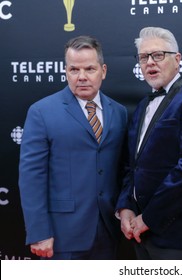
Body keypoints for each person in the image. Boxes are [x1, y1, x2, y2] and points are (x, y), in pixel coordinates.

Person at [18, 35, 128, 259]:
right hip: (62, 235)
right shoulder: (42, 112)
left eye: (89, 69)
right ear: (65, 71)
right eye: (74, 70)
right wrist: (39, 232)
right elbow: (32, 178)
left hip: (109, 231)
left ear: (103, 71)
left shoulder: (119, 112)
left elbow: (124, 169)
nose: (82, 77)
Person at [115, 27, 182, 260]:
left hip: (177, 231)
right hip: (138, 232)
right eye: (144, 57)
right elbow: (133, 165)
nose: (150, 62)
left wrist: (149, 218)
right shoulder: (142, 106)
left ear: (177, 59)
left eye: (158, 55)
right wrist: (126, 208)